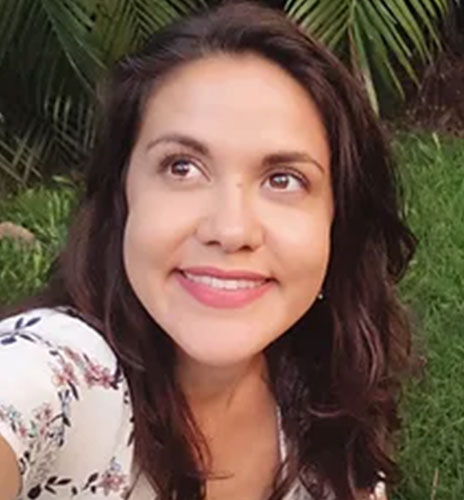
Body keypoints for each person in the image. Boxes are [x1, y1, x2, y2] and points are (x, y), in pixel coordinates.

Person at [0, 2, 416, 499]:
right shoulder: (64, 371)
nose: (231, 228)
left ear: (336, 221)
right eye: (182, 167)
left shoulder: (325, 404)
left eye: (284, 179)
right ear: (122, 195)